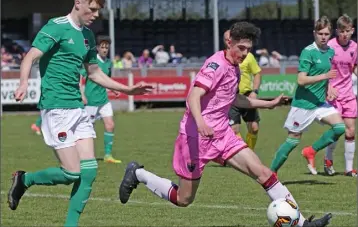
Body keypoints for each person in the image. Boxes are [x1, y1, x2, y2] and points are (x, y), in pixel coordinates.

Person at [119, 22, 332, 227]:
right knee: (184, 199)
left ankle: (302, 223)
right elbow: (194, 96)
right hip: (195, 138)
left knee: (263, 173)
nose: (245, 53)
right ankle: (138, 174)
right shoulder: (216, 65)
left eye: (248, 49)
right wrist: (201, 123)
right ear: (229, 42)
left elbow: (236, 99)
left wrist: (269, 104)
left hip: (222, 135)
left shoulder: (235, 67)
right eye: (241, 48)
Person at [7, 0, 153, 226]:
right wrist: (23, 83)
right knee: (71, 173)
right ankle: (25, 180)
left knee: (89, 172)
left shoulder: (88, 36)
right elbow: (30, 56)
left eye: (98, 11)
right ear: (78, 4)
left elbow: (94, 72)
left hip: (77, 108)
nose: (96, 15)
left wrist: (127, 89)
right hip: (56, 108)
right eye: (92, 9)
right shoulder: (56, 26)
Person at [270, 16, 345, 176]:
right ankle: (271, 172)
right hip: (303, 104)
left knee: (339, 127)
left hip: (319, 103)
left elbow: (324, 76)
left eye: (326, 34)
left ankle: (311, 151)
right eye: (320, 33)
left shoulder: (330, 51)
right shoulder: (308, 52)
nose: (323, 37)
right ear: (314, 33)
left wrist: (329, 88)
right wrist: (325, 77)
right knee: (293, 140)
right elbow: (301, 80)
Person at [323, 14, 357, 177]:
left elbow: (354, 66)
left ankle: (349, 169)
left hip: (349, 94)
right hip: (333, 95)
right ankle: (328, 160)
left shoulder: (354, 47)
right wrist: (328, 87)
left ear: (352, 31)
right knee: (337, 130)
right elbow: (324, 70)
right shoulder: (330, 46)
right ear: (337, 31)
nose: (344, 34)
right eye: (342, 31)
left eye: (348, 31)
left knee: (350, 131)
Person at [80, 35, 121, 164]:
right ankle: (86, 156)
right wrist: (82, 95)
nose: (105, 49)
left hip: (104, 100)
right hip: (90, 101)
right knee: (88, 130)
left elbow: (106, 80)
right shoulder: (91, 62)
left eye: (107, 47)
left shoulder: (109, 63)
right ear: (97, 48)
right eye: (102, 47)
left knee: (110, 125)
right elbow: (80, 79)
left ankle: (108, 155)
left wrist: (113, 89)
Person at [224, 30, 262, 151]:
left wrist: (255, 91)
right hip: (231, 98)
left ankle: (249, 152)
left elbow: (257, 73)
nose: (228, 41)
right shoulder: (222, 57)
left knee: (254, 128)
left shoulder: (248, 56)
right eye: (226, 39)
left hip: (246, 96)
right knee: (234, 130)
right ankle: (239, 153)